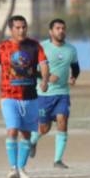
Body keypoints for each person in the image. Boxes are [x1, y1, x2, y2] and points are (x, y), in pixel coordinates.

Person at [0, 15, 48, 178]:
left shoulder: (34, 46)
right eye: (18, 27)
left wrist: (44, 81)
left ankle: (22, 168)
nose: (21, 30)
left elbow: (44, 66)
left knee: (27, 135)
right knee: (12, 129)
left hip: (30, 97)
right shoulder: (2, 47)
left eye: (24, 27)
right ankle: (13, 168)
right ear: (11, 29)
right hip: (8, 96)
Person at [29, 19, 80, 168]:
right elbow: (31, 70)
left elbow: (76, 68)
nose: (61, 31)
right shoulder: (41, 47)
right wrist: (46, 77)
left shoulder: (71, 49)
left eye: (63, 28)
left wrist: (73, 77)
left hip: (62, 93)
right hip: (44, 95)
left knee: (62, 121)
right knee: (44, 129)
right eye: (58, 28)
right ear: (51, 31)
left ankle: (57, 160)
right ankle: (32, 141)